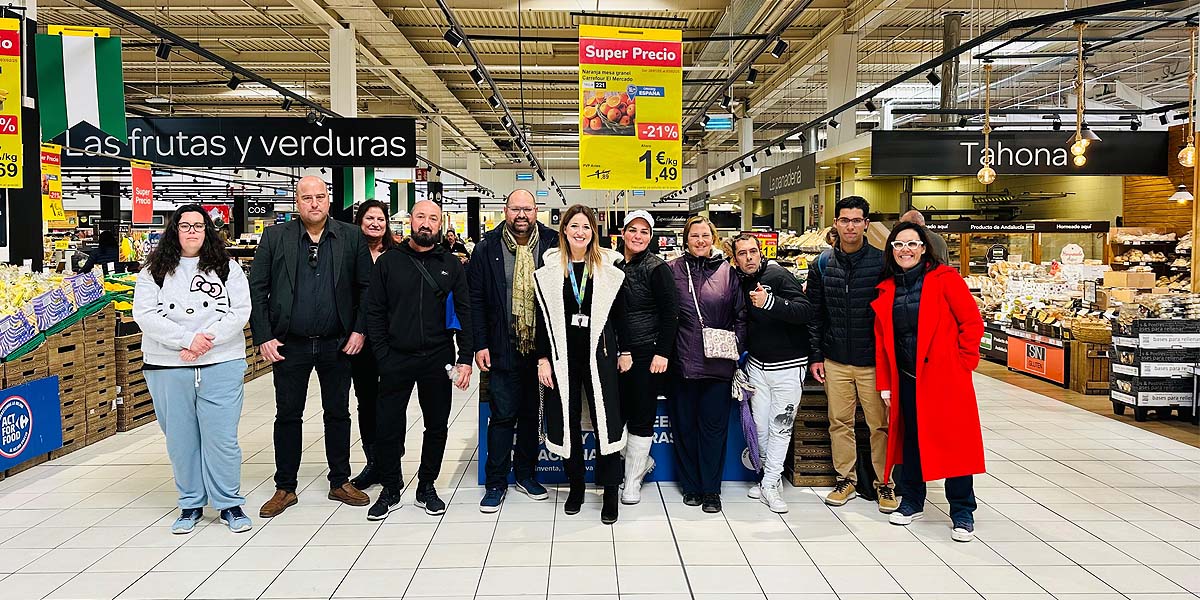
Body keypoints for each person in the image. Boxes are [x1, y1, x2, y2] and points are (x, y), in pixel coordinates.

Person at [249, 176, 373, 518]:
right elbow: (257, 288)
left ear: (328, 201)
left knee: (338, 413)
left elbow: (367, 289)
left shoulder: (350, 236)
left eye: (320, 197)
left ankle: (340, 481)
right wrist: (263, 335)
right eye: (307, 198)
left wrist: (359, 330)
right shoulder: (276, 237)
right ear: (297, 201)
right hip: (291, 344)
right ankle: (285, 488)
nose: (314, 203)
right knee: (288, 415)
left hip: (338, 343)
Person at [133, 205, 252, 534]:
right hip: (168, 365)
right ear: (174, 230)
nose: (192, 232)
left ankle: (229, 502)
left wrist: (205, 341)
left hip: (221, 362)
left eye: (198, 226)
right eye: (185, 226)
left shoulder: (228, 268)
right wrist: (186, 339)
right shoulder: (154, 271)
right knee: (181, 440)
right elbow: (145, 315)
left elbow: (240, 311)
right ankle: (190, 504)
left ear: (208, 231)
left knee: (222, 439)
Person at [872, 222, 984, 542]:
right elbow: (882, 341)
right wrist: (885, 383)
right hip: (906, 377)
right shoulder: (887, 287)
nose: (905, 250)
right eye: (898, 245)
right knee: (912, 440)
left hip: (945, 376)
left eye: (911, 244)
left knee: (954, 441)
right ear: (891, 251)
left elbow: (971, 322)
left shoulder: (945, 280)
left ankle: (962, 509)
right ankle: (911, 500)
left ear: (924, 248)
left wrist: (964, 363)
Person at [365, 201, 473, 520]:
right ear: (411, 220)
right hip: (396, 357)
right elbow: (374, 312)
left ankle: (427, 485)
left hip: (438, 358)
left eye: (433, 218)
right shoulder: (388, 263)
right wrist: (383, 355)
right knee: (388, 426)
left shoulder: (451, 265)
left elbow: (464, 311)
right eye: (421, 217)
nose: (427, 223)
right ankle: (390, 486)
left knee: (436, 425)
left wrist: (465, 358)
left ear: (441, 225)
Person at [533, 205, 630, 524]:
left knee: (607, 423)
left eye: (586, 227)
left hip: (600, 356)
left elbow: (622, 315)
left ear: (593, 232)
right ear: (564, 231)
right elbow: (542, 321)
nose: (580, 231)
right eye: (574, 226)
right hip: (563, 357)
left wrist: (625, 350)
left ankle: (610, 493)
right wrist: (543, 359)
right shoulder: (549, 272)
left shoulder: (610, 269)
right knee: (567, 423)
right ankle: (575, 488)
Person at [468, 189, 558, 512]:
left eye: (528, 209)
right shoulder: (486, 248)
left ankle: (525, 475)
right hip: (501, 345)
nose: (522, 215)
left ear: (537, 211)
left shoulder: (551, 244)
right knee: (503, 416)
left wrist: (549, 352)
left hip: (540, 349)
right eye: (515, 208)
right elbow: (475, 299)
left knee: (532, 416)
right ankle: (495, 482)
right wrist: (480, 343)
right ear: (505, 210)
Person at [806, 196, 898, 512]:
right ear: (836, 223)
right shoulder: (822, 264)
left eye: (856, 220)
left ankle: (884, 484)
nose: (850, 226)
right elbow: (815, 314)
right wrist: (816, 355)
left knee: (880, 425)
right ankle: (846, 480)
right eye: (844, 220)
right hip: (835, 359)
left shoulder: (883, 262)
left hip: (873, 361)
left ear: (865, 224)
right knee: (839, 422)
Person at [667, 216, 747, 513]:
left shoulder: (728, 272)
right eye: (694, 236)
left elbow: (741, 315)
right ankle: (691, 486)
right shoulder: (673, 269)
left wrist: (735, 345)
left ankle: (711, 490)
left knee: (713, 430)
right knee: (685, 428)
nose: (700, 241)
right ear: (685, 239)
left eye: (705, 235)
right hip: (682, 364)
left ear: (712, 238)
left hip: (718, 366)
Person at [730, 233, 815, 514]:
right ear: (735, 258)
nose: (749, 257)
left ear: (761, 252)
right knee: (760, 428)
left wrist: (771, 302)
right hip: (756, 367)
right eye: (742, 253)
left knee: (781, 427)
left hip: (788, 368)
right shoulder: (738, 281)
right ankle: (771, 477)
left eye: (752, 251)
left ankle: (769, 483)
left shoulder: (778, 276)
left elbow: (805, 312)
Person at [615, 210, 679, 505]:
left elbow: (671, 314)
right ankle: (641, 462)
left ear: (650, 237)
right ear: (623, 233)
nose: (638, 236)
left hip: (646, 353)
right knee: (615, 417)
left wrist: (662, 353)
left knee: (641, 416)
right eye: (633, 230)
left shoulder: (657, 268)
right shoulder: (612, 264)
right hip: (615, 352)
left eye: (644, 232)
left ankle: (632, 482)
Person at [348, 200, 396, 491]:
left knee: (390, 402)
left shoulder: (396, 254)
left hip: (391, 341)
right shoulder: (348, 254)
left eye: (380, 219)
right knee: (366, 402)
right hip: (359, 342)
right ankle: (373, 462)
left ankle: (391, 460)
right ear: (360, 221)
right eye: (369, 218)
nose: (375, 223)